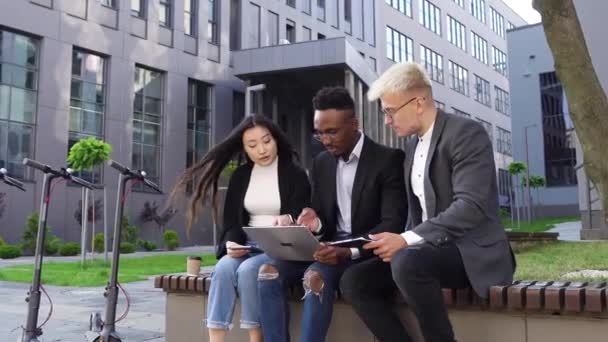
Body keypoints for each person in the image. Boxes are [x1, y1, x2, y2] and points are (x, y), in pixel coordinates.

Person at [340, 62, 515, 342]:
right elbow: (419, 213)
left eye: (390, 111)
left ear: (418, 102)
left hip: (472, 252)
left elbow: (470, 206)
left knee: (408, 261)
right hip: (429, 251)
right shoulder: (412, 146)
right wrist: (396, 240)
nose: (387, 120)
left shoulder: (466, 134)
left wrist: (406, 240)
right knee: (355, 281)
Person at [256, 86, 407, 342]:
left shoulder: (388, 160)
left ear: (354, 124)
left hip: (364, 255)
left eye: (332, 132)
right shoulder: (322, 163)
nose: (325, 140)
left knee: (314, 277)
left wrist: (349, 251)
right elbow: (323, 216)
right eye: (319, 134)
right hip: (326, 250)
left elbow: (392, 223)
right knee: (267, 271)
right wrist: (313, 222)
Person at [171, 114, 311, 342]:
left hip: (276, 248)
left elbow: (303, 213)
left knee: (248, 271)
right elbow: (232, 222)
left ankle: (255, 338)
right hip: (247, 245)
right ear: (244, 149)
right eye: (253, 145)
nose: (262, 150)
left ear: (276, 140)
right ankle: (216, 339)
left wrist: (288, 218)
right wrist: (230, 244)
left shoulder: (294, 173)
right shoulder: (241, 176)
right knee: (224, 268)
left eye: (267, 141)